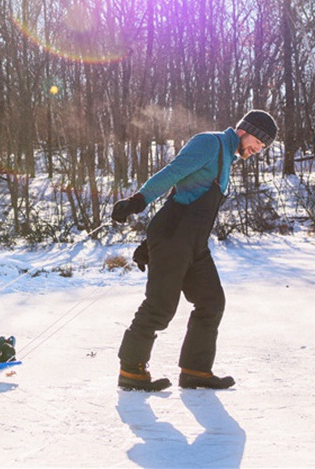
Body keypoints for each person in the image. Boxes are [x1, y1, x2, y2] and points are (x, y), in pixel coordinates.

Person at [112, 109, 278, 391]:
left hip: (193, 244)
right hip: (175, 238)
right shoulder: (209, 144)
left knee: (211, 302)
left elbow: (185, 196)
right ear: (246, 131)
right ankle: (131, 370)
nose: (257, 150)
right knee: (160, 307)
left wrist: (149, 243)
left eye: (262, 148)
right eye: (259, 143)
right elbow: (172, 174)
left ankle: (195, 370)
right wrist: (138, 201)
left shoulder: (226, 159)